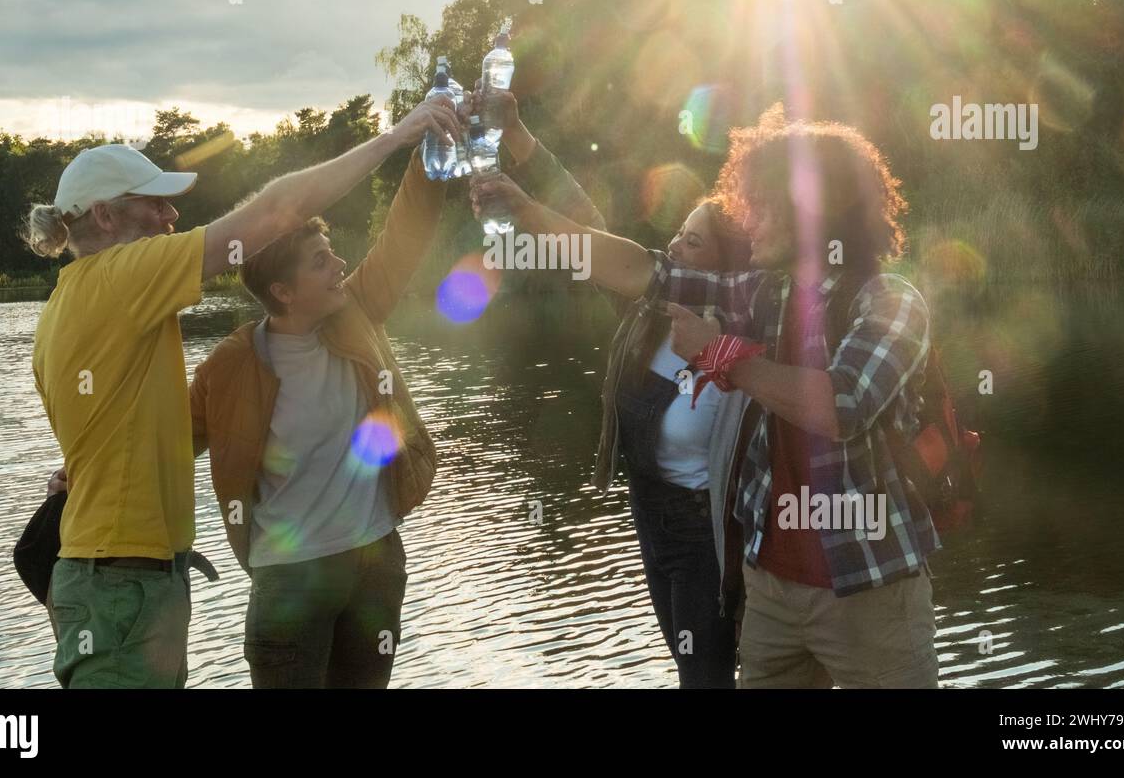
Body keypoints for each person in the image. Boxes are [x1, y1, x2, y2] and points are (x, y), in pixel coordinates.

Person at [473, 111, 941, 688]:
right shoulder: (764, 293)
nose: (749, 219)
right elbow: (642, 270)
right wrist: (524, 210)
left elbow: (840, 407)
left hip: (869, 589)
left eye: (764, 204)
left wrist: (722, 356)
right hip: (771, 586)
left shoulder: (890, 301)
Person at [25, 96, 462, 688]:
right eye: (156, 205)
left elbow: (146, 428)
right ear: (104, 217)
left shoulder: (69, 306)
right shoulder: (125, 283)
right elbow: (276, 212)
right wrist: (395, 137)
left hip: (130, 579)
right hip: (130, 584)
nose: (171, 218)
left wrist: (83, 472)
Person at [475, 86, 751, 687]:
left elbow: (625, 260)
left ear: (726, 269)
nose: (674, 245)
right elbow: (585, 225)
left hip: (708, 533)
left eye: (693, 242)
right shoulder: (649, 314)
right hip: (651, 512)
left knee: (708, 675)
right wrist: (518, 133)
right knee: (691, 670)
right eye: (678, 233)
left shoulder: (745, 323)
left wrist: (519, 208)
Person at [187, 141, 446, 689]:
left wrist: (430, 148)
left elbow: (406, 236)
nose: (340, 266)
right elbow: (167, 441)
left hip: (374, 562)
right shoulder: (233, 364)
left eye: (332, 253)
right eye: (321, 261)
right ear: (282, 291)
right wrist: (80, 471)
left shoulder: (355, 315)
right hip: (289, 581)